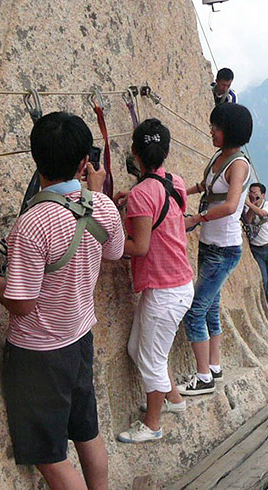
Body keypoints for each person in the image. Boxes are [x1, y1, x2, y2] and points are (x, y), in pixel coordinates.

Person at [0, 111, 126, 490]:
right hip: (79, 335)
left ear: (35, 159)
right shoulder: (101, 207)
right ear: (86, 161)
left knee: (47, 451)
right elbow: (115, 252)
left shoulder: (32, 225)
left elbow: (22, 305)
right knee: (86, 428)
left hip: (39, 351)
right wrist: (98, 191)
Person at [113, 119, 194, 444]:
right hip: (174, 284)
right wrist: (134, 197)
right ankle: (173, 399)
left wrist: (107, 242)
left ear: (134, 152)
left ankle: (152, 424)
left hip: (165, 291)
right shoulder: (176, 182)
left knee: (151, 360)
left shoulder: (142, 195)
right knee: (138, 349)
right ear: (166, 150)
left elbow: (139, 247)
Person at [181, 103, 253, 395]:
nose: (211, 131)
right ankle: (214, 366)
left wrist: (197, 218)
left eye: (217, 128)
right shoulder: (220, 157)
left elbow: (231, 204)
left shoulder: (238, 164)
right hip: (211, 245)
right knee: (210, 308)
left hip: (224, 248)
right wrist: (181, 191)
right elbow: (207, 187)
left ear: (230, 131)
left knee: (195, 311)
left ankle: (203, 378)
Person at [244, 182, 268, 308]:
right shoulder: (248, 208)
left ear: (263, 195)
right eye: (251, 192)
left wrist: (249, 204)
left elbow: (263, 214)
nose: (253, 194)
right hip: (256, 249)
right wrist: (251, 205)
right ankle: (263, 307)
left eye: (256, 193)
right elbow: (247, 220)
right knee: (263, 280)